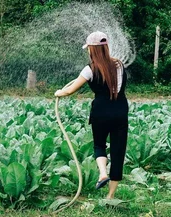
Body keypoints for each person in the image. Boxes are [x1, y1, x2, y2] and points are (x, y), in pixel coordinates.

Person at [54, 31, 128, 199]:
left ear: (92, 50)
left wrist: (59, 92)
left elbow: (70, 90)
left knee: (99, 145)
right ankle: (110, 196)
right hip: (120, 112)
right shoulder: (120, 65)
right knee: (118, 152)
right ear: (106, 47)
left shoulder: (90, 69)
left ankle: (102, 173)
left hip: (101, 113)